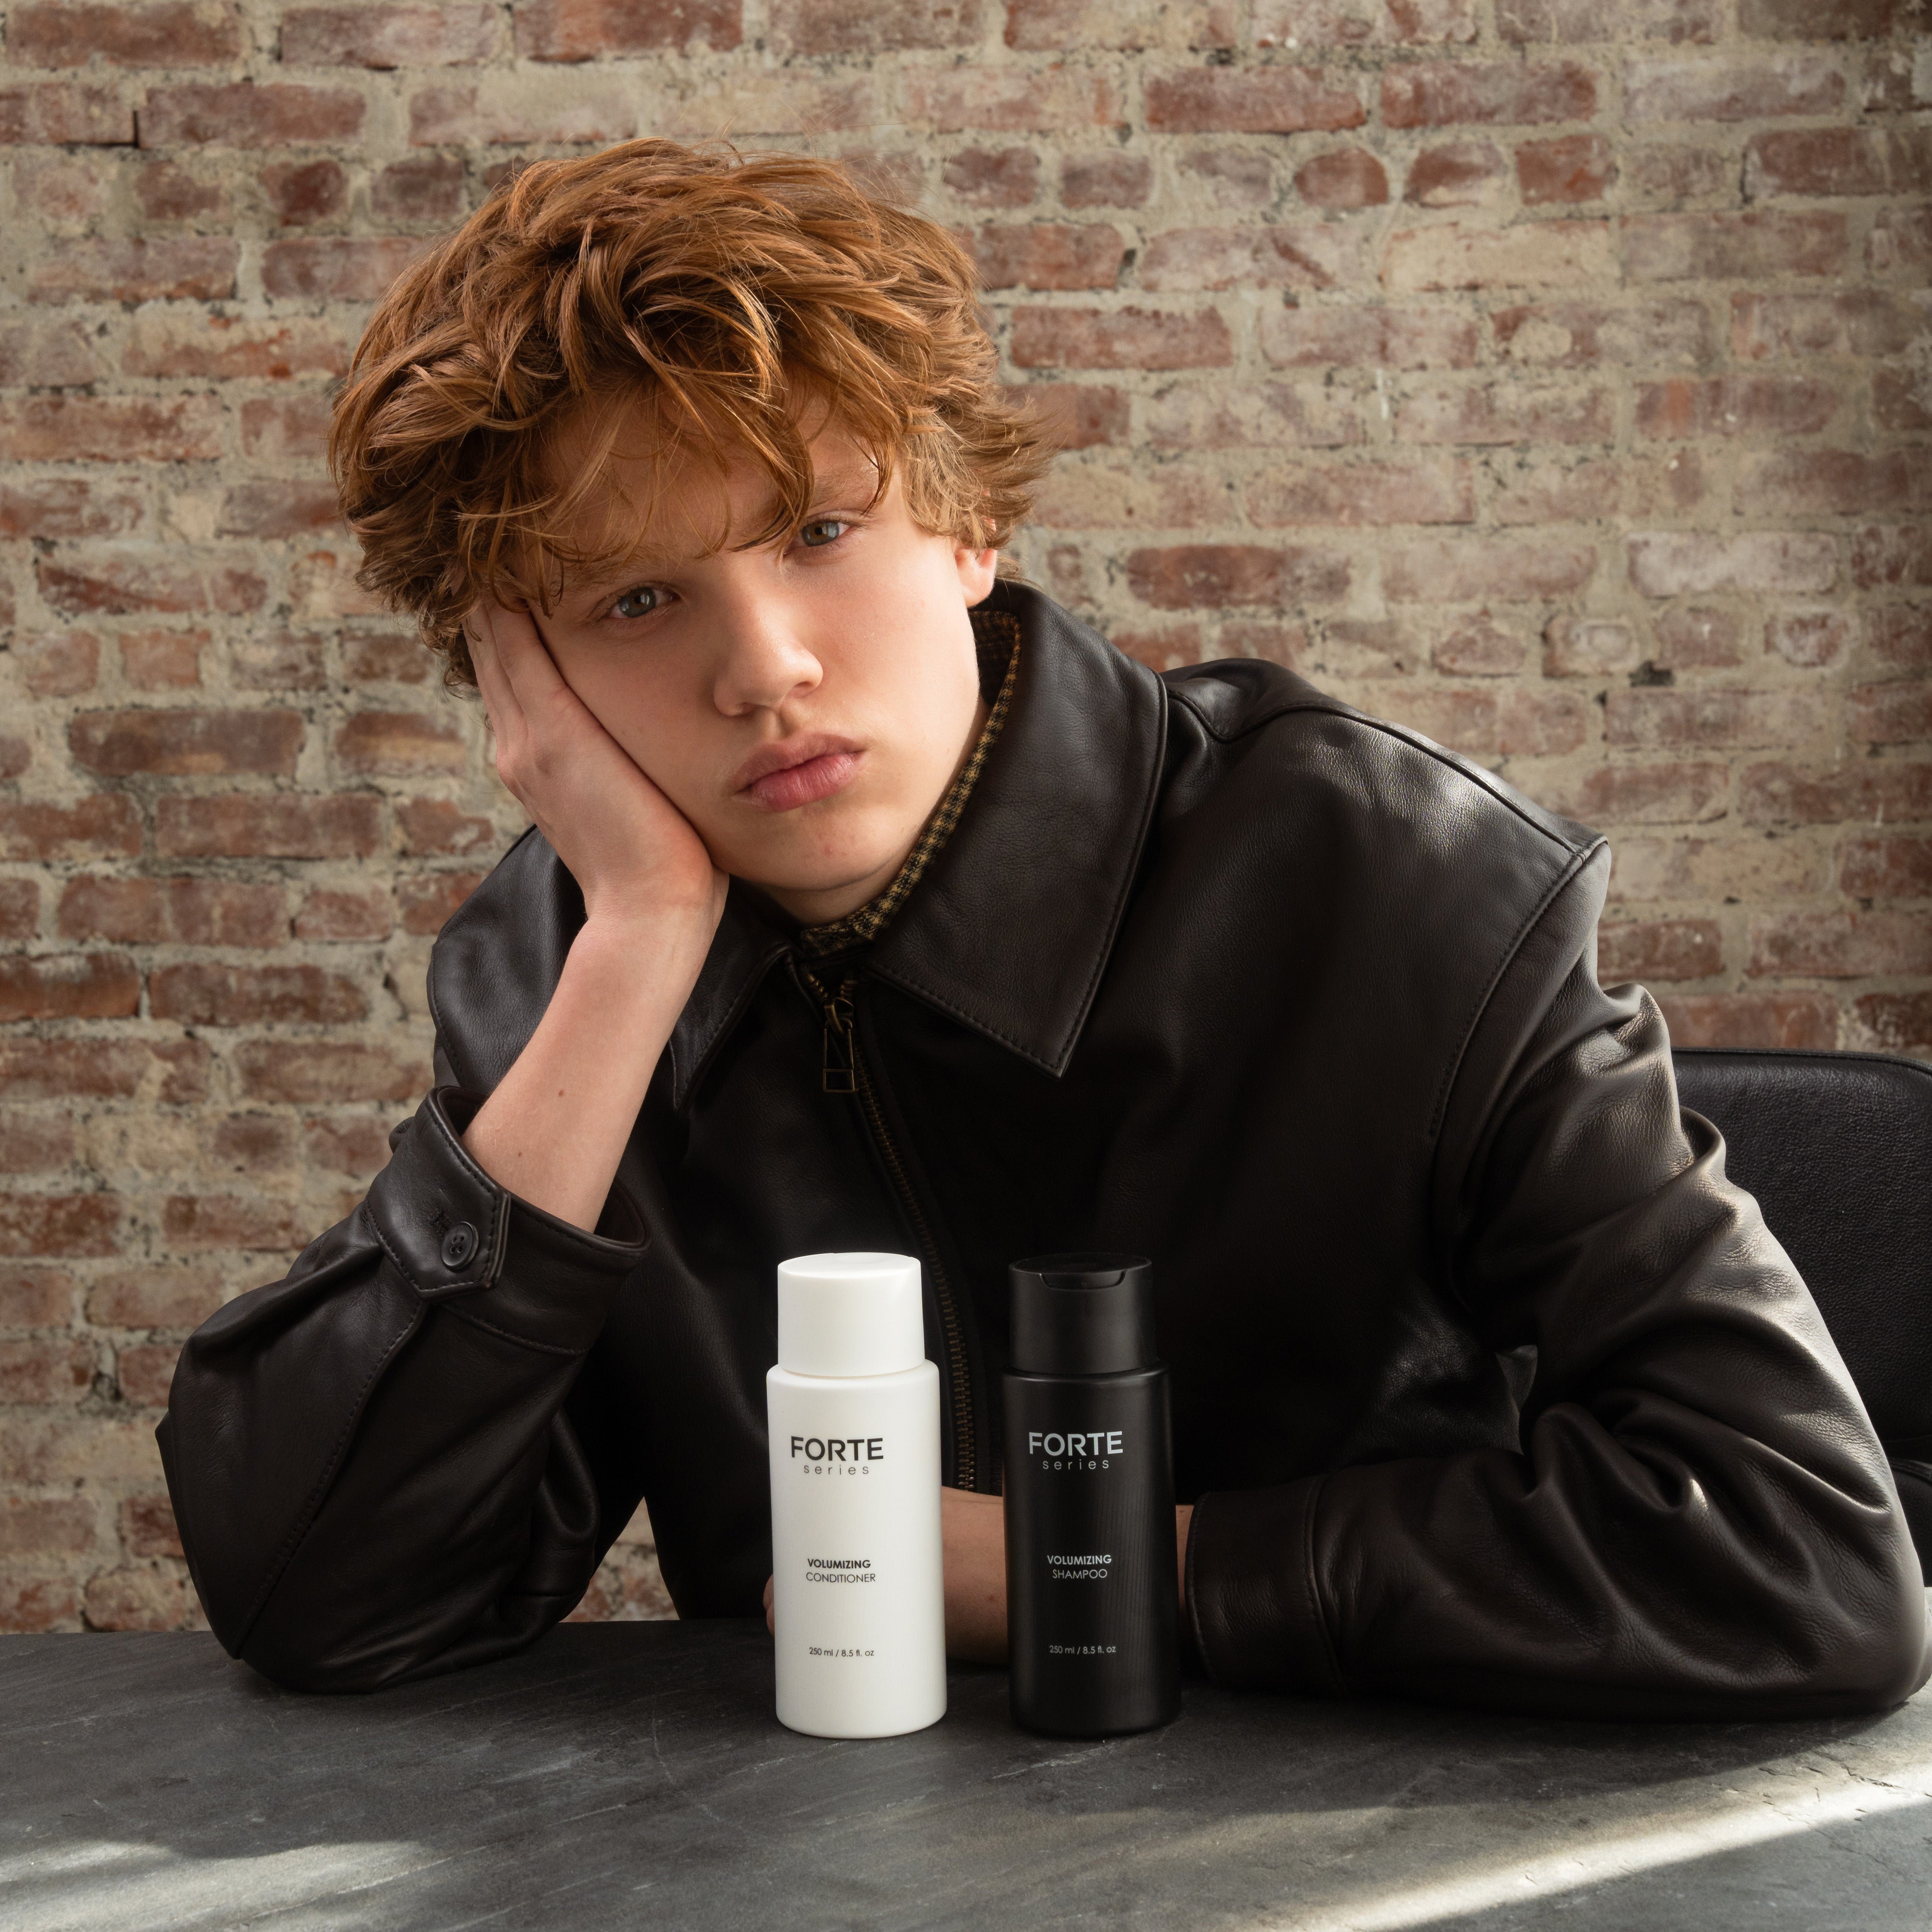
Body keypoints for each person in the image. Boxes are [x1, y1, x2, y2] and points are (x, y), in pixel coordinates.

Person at [160, 139, 1927, 1713]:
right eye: (633, 598)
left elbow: (1806, 1554)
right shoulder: (558, 970)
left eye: (821, 529)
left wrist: (1098, 1566)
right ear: (518, 674)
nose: (763, 664)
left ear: (969, 518)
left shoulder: (1394, 883)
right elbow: (329, 1597)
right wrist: (630, 944)